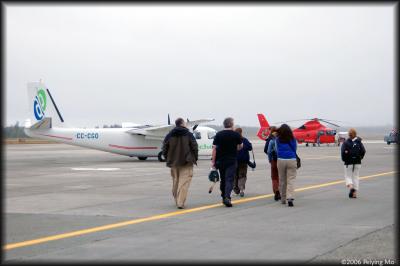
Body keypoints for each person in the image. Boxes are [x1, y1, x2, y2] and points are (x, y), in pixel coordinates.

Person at [162, 118, 199, 209]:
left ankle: (176, 200)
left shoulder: (169, 135)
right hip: (186, 162)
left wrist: (168, 158)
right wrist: (195, 158)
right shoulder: (188, 134)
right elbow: (195, 146)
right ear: (182, 123)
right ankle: (180, 202)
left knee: (176, 181)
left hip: (173, 162)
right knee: (184, 182)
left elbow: (164, 148)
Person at [211, 117, 243, 207]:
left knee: (223, 179)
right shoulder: (236, 135)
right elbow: (240, 146)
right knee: (229, 179)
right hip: (231, 160)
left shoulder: (218, 134)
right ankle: (227, 197)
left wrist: (213, 162)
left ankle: (223, 196)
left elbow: (214, 149)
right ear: (231, 124)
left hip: (220, 161)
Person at [275, 124, 298, 207]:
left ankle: (283, 198)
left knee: (282, 180)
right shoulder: (293, 139)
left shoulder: (278, 139)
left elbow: (277, 149)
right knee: (291, 180)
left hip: (281, 159)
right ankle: (290, 198)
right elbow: (295, 149)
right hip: (291, 159)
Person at [341, 128, 366, 198]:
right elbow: (363, 151)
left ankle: (351, 187)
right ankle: (354, 194)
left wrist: (344, 160)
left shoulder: (345, 142)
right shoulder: (359, 142)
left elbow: (343, 152)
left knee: (348, 176)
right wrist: (360, 157)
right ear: (355, 134)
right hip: (358, 162)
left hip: (348, 162)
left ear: (349, 135)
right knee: (356, 177)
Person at [233, 127, 253, 197]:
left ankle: (236, 191)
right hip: (243, 161)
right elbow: (250, 148)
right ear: (241, 132)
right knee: (242, 175)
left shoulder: (233, 140)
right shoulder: (244, 140)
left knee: (235, 176)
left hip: (234, 161)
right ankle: (241, 189)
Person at [265, 126, 280, 201]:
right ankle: (281, 191)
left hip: (273, 160)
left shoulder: (271, 140)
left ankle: (276, 191)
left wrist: (270, 159)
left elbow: (267, 151)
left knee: (274, 177)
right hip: (281, 160)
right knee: (280, 176)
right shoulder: (281, 138)